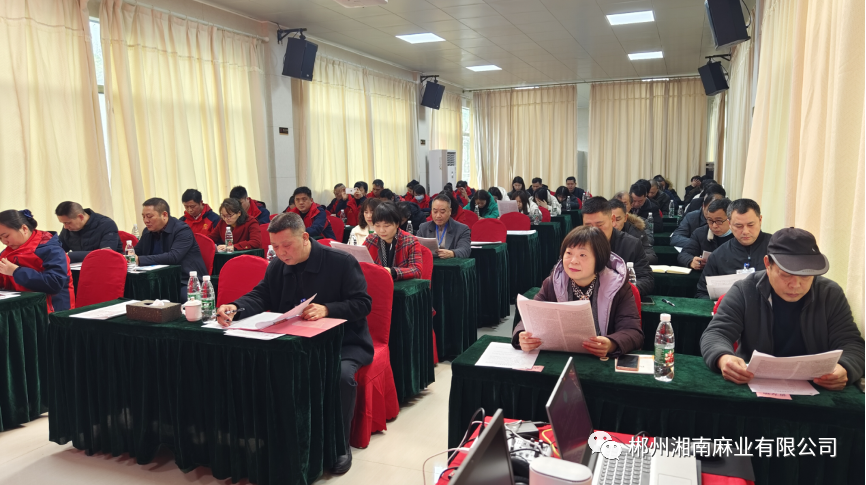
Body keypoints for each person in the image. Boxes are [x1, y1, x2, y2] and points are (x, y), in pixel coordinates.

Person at [215, 213, 373, 473]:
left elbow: (363, 303)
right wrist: (235, 306)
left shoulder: (341, 262)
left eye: (286, 245)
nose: (281, 252)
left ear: (305, 237)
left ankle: (339, 444)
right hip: (293, 343)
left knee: (341, 377)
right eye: (275, 247)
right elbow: (261, 295)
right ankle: (276, 438)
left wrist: (328, 309)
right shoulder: (278, 265)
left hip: (343, 343)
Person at [700, 228, 864, 390]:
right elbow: (716, 333)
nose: (795, 285)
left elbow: (851, 343)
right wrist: (724, 358)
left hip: (816, 388)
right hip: (752, 384)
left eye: (806, 275)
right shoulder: (744, 290)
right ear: (767, 264)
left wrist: (845, 367)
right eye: (786, 274)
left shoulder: (830, 294)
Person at [513, 226, 643, 358]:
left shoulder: (618, 287)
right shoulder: (553, 283)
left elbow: (633, 331)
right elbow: (530, 317)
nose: (573, 261)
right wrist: (522, 336)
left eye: (582, 255)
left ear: (599, 259)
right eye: (569, 253)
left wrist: (611, 344)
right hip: (561, 356)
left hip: (600, 360)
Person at [0, 209, 74, 312]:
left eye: (6, 236)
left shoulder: (52, 250)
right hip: (20, 309)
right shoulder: (7, 253)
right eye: (0, 238)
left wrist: (16, 271)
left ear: (24, 229)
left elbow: (55, 283)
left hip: (51, 311)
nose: (4, 242)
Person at [696, 199, 771, 299]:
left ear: (760, 220)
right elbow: (701, 293)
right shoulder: (718, 255)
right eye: (738, 226)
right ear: (729, 224)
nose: (745, 231)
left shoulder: (777, 249)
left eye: (751, 225)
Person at [134, 198, 207, 299]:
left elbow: (173, 257)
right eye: (143, 217)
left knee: (186, 300)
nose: (146, 220)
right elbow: (136, 251)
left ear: (164, 215)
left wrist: (139, 260)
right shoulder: (147, 232)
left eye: (149, 216)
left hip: (184, 281)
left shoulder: (182, 230)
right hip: (158, 280)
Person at [581, 197, 654, 296]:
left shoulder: (631, 244)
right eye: (588, 226)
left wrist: (622, 292)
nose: (594, 230)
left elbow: (646, 279)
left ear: (612, 220)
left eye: (600, 225)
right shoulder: (576, 244)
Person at [364, 203, 422, 281]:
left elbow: (416, 271)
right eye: (377, 226)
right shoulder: (371, 240)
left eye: (386, 226)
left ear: (397, 224)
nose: (381, 230)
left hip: (401, 285)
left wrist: (393, 272)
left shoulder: (410, 241)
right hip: (377, 283)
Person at [55, 201, 122, 263]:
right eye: (63, 223)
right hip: (78, 268)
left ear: (81, 217)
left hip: (108, 266)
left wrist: (69, 255)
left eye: (67, 223)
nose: (65, 227)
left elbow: (105, 253)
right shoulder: (68, 228)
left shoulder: (106, 224)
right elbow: (57, 249)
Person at [677, 198, 734, 269]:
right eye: (710, 221)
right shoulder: (700, 233)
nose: (714, 226)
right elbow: (684, 254)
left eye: (719, 221)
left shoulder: (739, 235)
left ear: (730, 219)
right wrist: (691, 261)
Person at [610, 199, 656, 264]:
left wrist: (629, 258)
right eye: (610, 220)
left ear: (625, 218)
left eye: (618, 219)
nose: (614, 224)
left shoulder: (636, 231)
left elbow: (652, 256)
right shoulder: (599, 231)